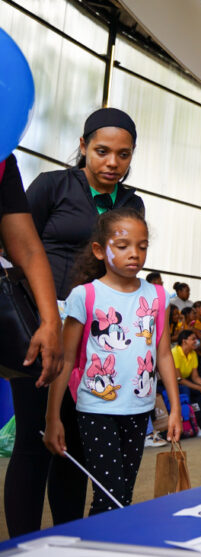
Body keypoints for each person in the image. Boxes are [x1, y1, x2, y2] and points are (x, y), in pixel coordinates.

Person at [14, 107, 144, 532]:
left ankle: (69, 538)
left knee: (74, 445)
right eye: (103, 151)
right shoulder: (52, 186)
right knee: (35, 441)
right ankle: (24, 543)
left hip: (96, 342)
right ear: (84, 146)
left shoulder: (130, 201)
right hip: (41, 329)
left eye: (123, 155)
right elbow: (17, 248)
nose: (112, 163)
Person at [43, 208, 182, 515]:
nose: (134, 254)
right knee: (111, 497)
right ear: (99, 250)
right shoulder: (84, 295)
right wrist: (53, 418)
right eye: (123, 246)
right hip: (96, 409)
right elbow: (65, 360)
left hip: (139, 410)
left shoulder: (158, 296)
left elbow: (162, 356)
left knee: (123, 497)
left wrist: (174, 409)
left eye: (142, 246)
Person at [0, 154, 64, 537]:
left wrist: (49, 321)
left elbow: (26, 247)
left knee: (37, 434)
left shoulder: (3, 160)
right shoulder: (53, 187)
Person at [171, 329, 201, 436]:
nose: (196, 342)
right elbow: (178, 378)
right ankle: (194, 426)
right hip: (173, 383)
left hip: (185, 381)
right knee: (187, 390)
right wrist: (199, 388)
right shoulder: (175, 352)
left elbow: (195, 377)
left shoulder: (193, 353)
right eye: (193, 339)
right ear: (184, 341)